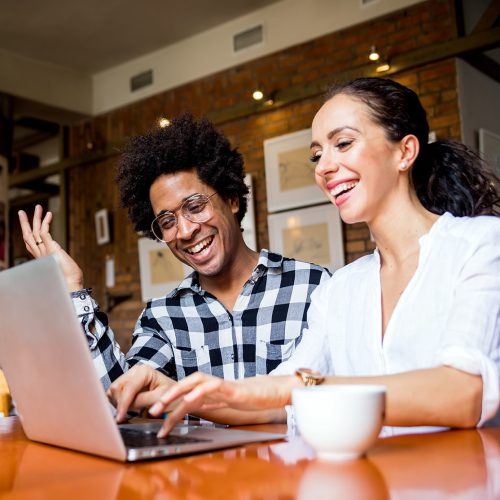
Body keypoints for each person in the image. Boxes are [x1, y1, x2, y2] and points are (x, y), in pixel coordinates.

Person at [110, 77, 500, 437]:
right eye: (317, 155)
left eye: (343, 143)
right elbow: (278, 401)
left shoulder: (480, 244)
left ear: (405, 151)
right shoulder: (343, 288)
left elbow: (464, 393)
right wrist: (181, 394)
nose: (325, 167)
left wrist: (309, 388)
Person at [18, 114, 330, 422]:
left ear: (232, 200)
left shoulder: (313, 287)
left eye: (195, 207)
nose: (184, 231)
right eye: (167, 221)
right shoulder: (163, 316)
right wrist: (73, 289)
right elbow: (120, 400)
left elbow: (339, 396)